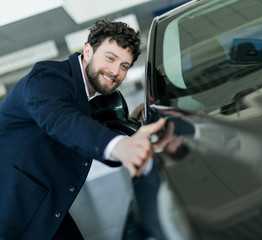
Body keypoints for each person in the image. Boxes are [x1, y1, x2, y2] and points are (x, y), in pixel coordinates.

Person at [0, 19, 165, 239]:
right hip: (11, 215)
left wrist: (128, 126)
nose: (115, 71)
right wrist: (121, 145)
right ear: (88, 51)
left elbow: (84, 138)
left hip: (47, 209)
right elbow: (61, 121)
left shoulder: (82, 96)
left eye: (124, 66)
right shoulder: (48, 78)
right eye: (110, 58)